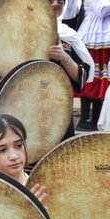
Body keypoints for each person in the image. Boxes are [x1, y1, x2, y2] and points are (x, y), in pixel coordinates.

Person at [48, 0, 93, 138]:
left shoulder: (68, 36)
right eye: (50, 1)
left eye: (60, 1)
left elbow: (82, 76)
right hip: (28, 107)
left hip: (60, 109)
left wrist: (64, 58)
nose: (56, 4)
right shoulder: (22, 35)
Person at [76, 0, 110, 131]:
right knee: (91, 77)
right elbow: (101, 11)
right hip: (93, 36)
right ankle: (85, 119)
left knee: (103, 79)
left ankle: (96, 118)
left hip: (105, 37)